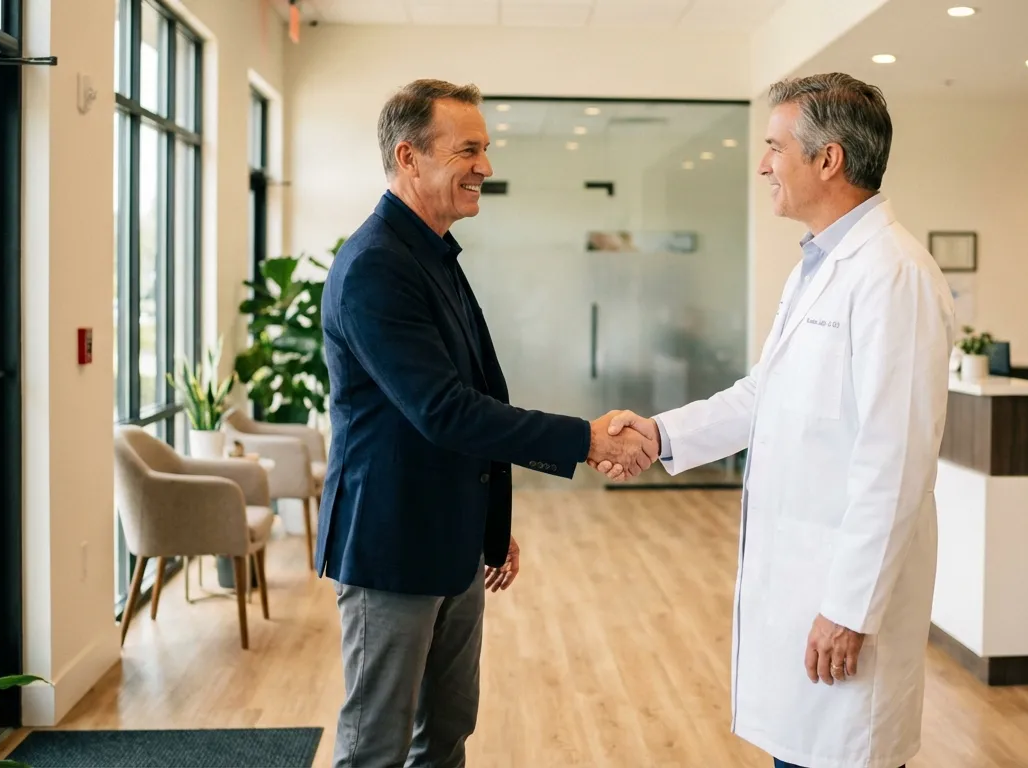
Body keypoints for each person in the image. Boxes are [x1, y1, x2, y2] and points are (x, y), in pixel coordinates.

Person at [600, 73, 954, 768]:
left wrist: (851, 609)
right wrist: (661, 434)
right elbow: (763, 395)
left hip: (843, 604)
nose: (763, 165)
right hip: (803, 591)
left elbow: (897, 461)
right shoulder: (816, 270)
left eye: (774, 147)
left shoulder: (893, 275)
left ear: (829, 160)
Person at [316, 78, 658, 768]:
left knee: (446, 734)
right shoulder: (376, 267)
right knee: (376, 748)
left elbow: (470, 398)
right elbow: (444, 410)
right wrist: (586, 439)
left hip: (454, 542)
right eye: (468, 150)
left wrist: (490, 527)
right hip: (392, 547)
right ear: (409, 158)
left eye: (486, 149)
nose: (486, 167)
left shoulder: (432, 252)